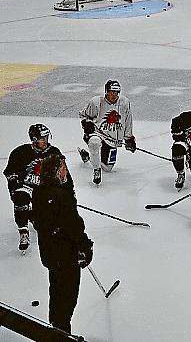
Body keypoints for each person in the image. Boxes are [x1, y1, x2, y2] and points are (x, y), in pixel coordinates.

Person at [31, 153, 93, 333]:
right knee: (67, 296)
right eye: (64, 168)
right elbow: (74, 226)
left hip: (50, 255)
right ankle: (61, 333)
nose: (66, 171)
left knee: (56, 292)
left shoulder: (39, 192)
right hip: (65, 255)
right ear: (57, 172)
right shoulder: (61, 196)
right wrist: (85, 246)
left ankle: (58, 329)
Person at [3, 124, 71, 253]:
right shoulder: (20, 152)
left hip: (46, 189)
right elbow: (9, 172)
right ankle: (23, 230)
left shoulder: (54, 152)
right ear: (33, 139)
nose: (45, 141)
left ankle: (34, 215)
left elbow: (64, 176)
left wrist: (68, 195)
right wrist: (15, 183)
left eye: (46, 137)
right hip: (26, 187)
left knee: (48, 217)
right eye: (41, 138)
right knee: (21, 198)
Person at [78, 80, 136, 186]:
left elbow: (128, 120)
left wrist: (129, 138)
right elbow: (83, 115)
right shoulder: (96, 102)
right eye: (112, 92)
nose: (115, 95)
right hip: (98, 134)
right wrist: (87, 124)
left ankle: (87, 156)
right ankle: (96, 170)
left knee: (108, 168)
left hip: (112, 140)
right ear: (107, 91)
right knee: (94, 142)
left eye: (117, 92)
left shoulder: (124, 102)